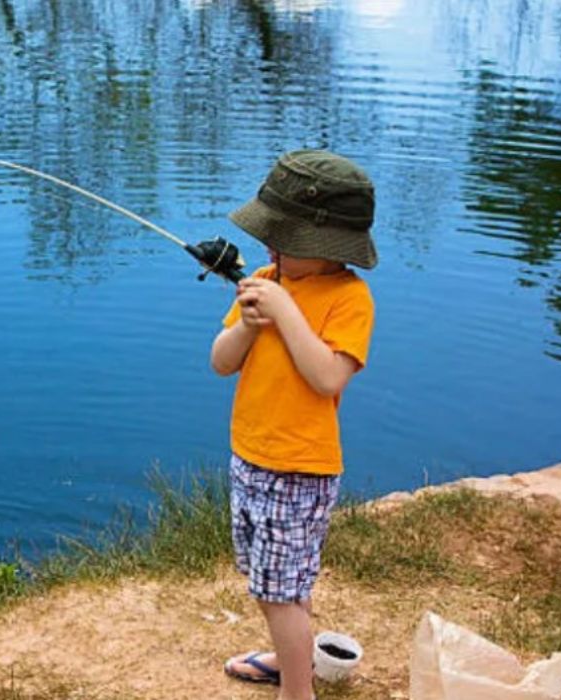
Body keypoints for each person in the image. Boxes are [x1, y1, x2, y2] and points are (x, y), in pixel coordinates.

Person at [209, 149, 377, 700]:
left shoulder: (349, 298)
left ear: (328, 245)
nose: (269, 247)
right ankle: (291, 660)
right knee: (271, 582)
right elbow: (221, 361)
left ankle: (297, 691)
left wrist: (284, 311)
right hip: (250, 456)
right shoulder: (265, 279)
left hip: (300, 469)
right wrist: (251, 326)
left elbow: (328, 377)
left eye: (284, 238)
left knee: (281, 592)